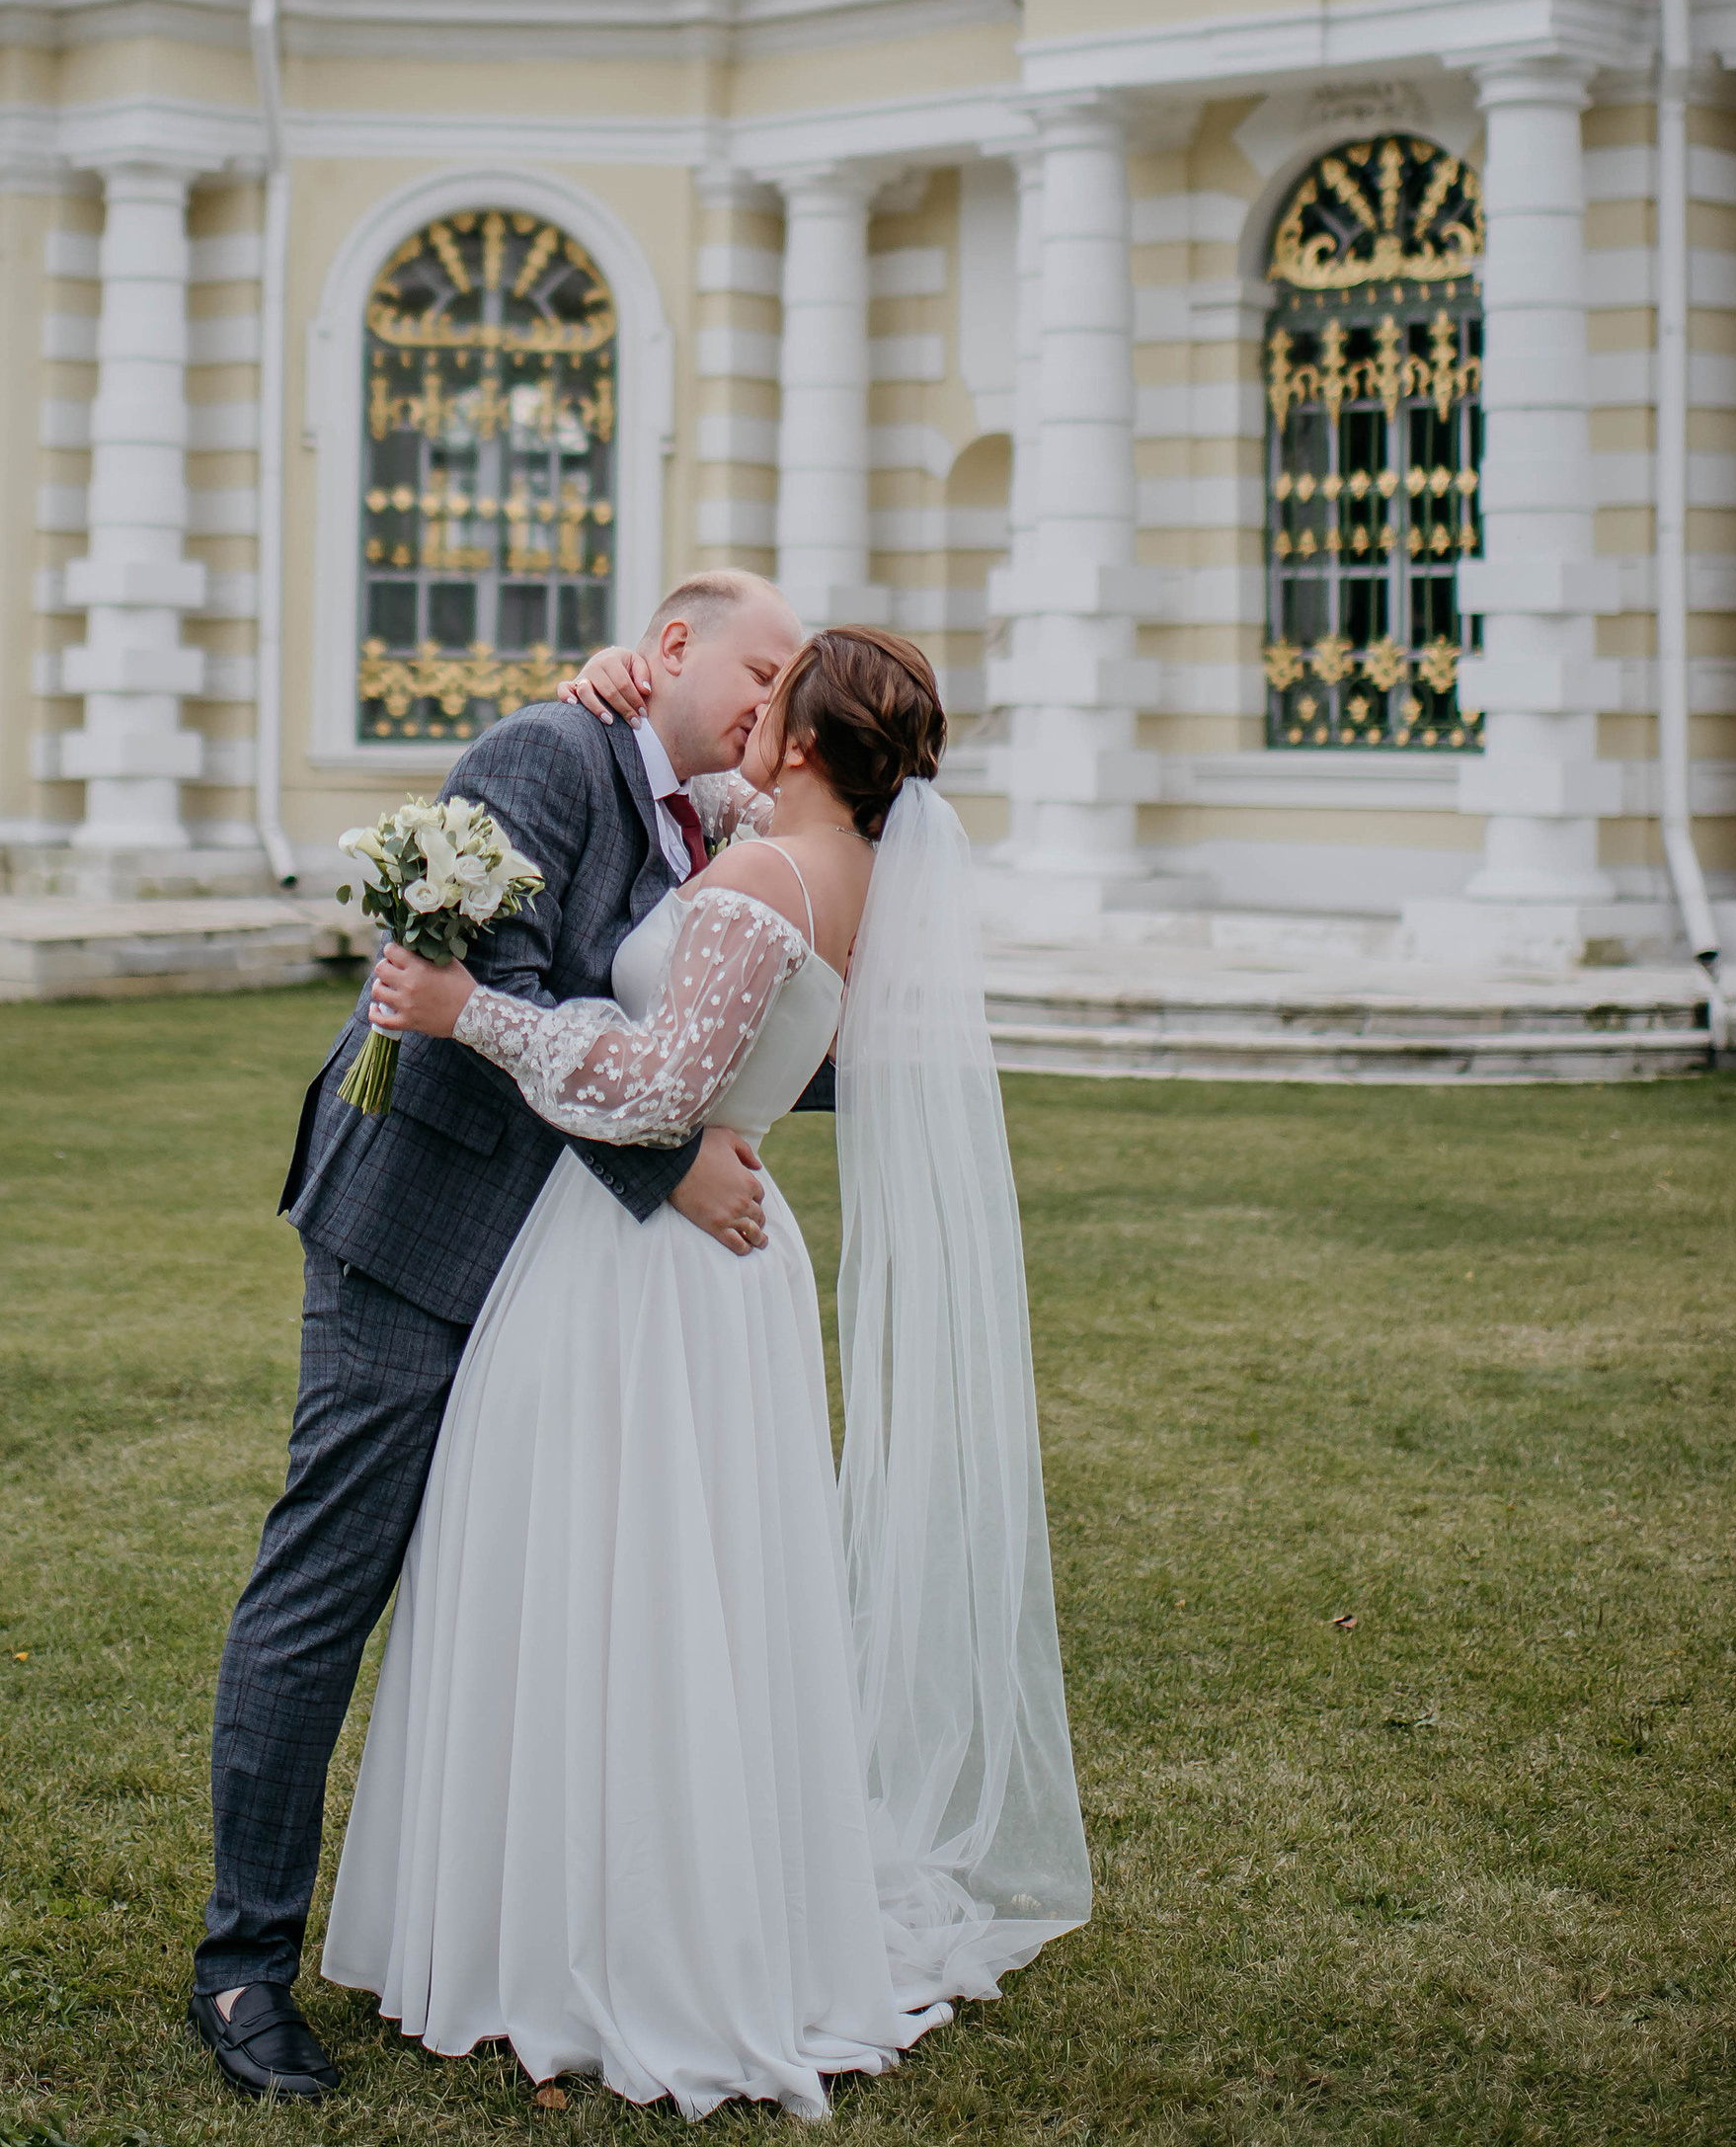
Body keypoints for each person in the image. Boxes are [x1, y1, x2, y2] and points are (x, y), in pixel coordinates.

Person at [326, 626, 1089, 2119]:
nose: (750, 710)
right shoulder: (844, 869)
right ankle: (672, 1890)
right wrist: (609, 687)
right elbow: (700, 801)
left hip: (644, 1273)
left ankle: (601, 1936)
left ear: (806, 742)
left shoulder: (760, 884)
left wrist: (460, 1007)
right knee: (693, 1584)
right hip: (728, 1271)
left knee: (607, 1574)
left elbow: (658, 1089)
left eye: (772, 696)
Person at [189, 569, 808, 2101]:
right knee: (329, 1578)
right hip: (415, 1226)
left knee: (516, 1601)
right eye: (758, 665)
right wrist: (667, 1162)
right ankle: (243, 1970)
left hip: (553, 1273)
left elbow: (677, 1023)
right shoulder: (551, 752)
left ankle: (506, 1935)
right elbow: (500, 997)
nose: (771, 699)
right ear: (669, 646)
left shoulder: (713, 815)